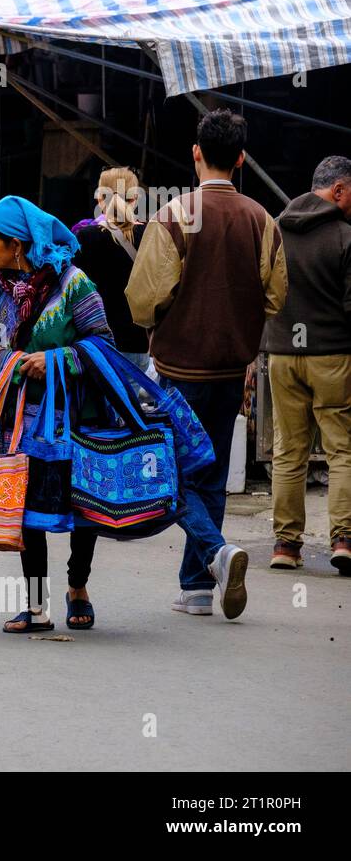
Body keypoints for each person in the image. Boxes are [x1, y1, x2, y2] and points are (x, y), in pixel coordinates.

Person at [127, 108, 287, 620]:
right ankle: (196, 588)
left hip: (179, 369)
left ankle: (215, 553)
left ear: (196, 153)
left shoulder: (173, 215)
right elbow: (276, 296)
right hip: (230, 369)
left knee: (172, 476)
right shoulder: (262, 219)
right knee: (212, 472)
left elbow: (143, 299)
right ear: (240, 160)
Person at [0, 196, 113, 633]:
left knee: (83, 506)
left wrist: (56, 360)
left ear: (18, 244)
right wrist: (9, 362)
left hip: (77, 415)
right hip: (19, 418)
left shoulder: (74, 284)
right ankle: (36, 607)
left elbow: (103, 344)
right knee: (27, 510)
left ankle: (78, 586)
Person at [259, 156, 351, 575]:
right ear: (337, 190)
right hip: (333, 355)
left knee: (288, 451)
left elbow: (261, 290)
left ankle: (286, 545)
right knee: (341, 450)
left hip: (282, 354)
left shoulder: (275, 229)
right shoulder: (345, 237)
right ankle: (343, 540)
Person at [72, 166, 149, 368]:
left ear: (99, 199)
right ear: (136, 198)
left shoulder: (86, 237)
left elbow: (73, 292)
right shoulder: (151, 234)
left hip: (96, 343)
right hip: (138, 341)